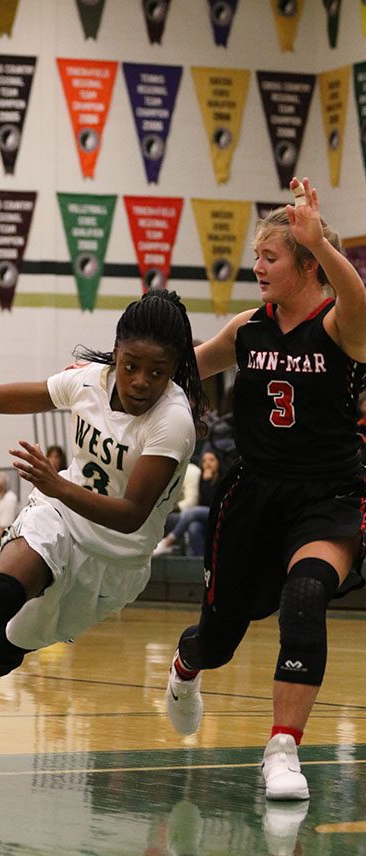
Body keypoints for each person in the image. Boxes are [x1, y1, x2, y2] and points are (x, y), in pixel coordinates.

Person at [0, 289, 207, 760]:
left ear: (174, 370)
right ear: (116, 350)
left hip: (117, 558)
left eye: (157, 371)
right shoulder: (88, 381)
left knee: (17, 639)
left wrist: (55, 482)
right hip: (60, 515)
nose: (140, 381)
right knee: (4, 590)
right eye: (130, 365)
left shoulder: (173, 421)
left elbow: (131, 515)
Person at [165, 177, 366, 803]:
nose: (257, 266)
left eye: (270, 256)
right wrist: (100, 374)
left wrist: (326, 246)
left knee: (306, 598)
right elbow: (183, 367)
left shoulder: (342, 326)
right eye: (256, 255)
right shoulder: (247, 329)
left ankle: (283, 748)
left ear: (307, 263)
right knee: (218, 642)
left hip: (329, 495)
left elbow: (359, 299)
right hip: (252, 496)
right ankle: (185, 668)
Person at [153, 449, 223, 556]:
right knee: (194, 527)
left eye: (211, 460)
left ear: (218, 462)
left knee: (191, 512)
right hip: (205, 517)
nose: (208, 463)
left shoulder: (223, 479)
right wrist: (206, 482)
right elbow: (203, 501)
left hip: (219, 514)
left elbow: (214, 503)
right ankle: (199, 562)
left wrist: (209, 482)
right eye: (204, 461)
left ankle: (168, 542)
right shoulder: (202, 479)